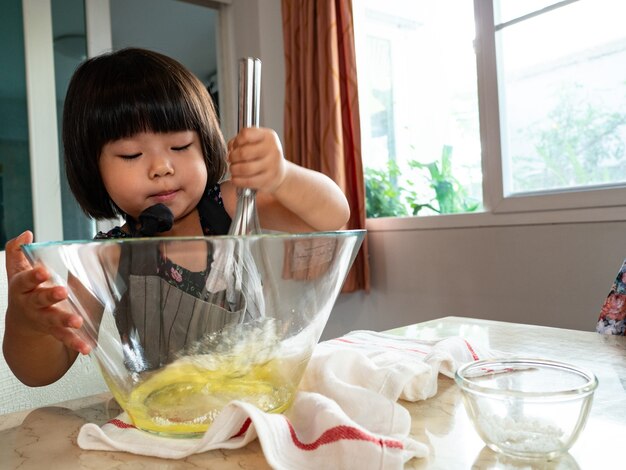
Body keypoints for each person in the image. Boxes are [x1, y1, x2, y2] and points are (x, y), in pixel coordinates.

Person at [3, 48, 350, 386]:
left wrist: (283, 176)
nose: (161, 167)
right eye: (131, 154)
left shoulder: (231, 205)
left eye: (181, 146)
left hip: (252, 402)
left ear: (204, 145)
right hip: (161, 422)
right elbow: (42, 372)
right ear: (93, 169)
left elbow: (333, 216)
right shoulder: (108, 254)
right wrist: (28, 322)